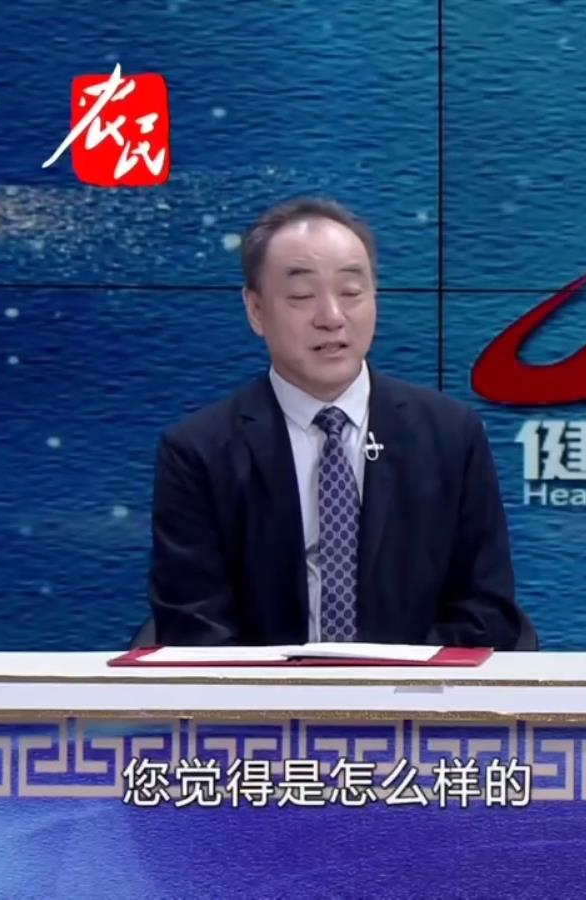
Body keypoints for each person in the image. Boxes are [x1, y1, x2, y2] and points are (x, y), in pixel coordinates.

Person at [148, 198, 525, 648]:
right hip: (263, 693)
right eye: (301, 296)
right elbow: (194, 627)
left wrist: (391, 684)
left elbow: (486, 612)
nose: (331, 317)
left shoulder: (451, 436)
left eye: (351, 292)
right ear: (256, 310)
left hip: (415, 691)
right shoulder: (199, 452)